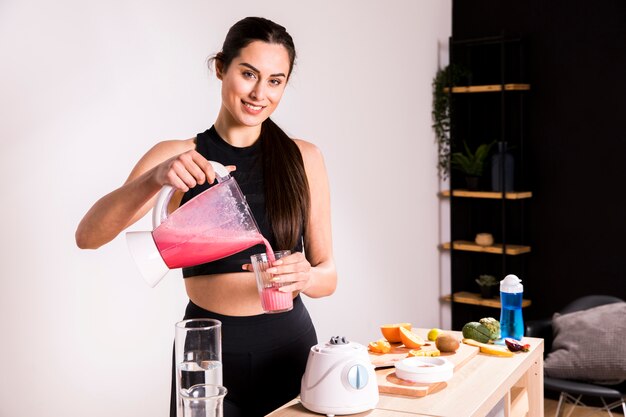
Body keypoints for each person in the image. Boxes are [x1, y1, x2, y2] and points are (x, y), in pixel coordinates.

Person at [75, 16, 337, 417]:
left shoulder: (304, 158)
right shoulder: (180, 156)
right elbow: (88, 236)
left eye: (275, 80)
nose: (259, 93)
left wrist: (307, 276)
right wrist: (155, 178)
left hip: (289, 345)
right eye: (248, 73)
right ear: (221, 68)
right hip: (206, 350)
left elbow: (328, 275)